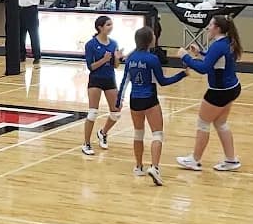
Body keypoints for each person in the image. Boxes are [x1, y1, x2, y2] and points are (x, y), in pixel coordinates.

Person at [118, 26, 187, 184]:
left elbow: (124, 81)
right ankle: (155, 168)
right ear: (150, 40)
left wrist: (118, 101)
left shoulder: (130, 58)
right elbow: (163, 81)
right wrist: (182, 74)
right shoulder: (152, 59)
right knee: (157, 134)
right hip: (149, 99)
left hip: (134, 99)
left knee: (138, 134)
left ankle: (138, 166)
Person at [177, 15, 243, 172]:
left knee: (203, 123)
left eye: (210, 25)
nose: (207, 27)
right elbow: (213, 61)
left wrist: (185, 56)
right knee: (220, 123)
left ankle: (194, 160)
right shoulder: (226, 42)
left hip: (219, 92)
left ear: (217, 28)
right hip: (232, 88)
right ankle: (231, 160)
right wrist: (200, 53)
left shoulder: (218, 46)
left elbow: (204, 68)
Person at [81, 16, 124, 156]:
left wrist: (117, 59)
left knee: (116, 112)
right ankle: (86, 143)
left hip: (109, 79)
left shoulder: (114, 43)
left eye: (111, 24)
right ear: (100, 27)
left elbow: (115, 66)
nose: (110, 27)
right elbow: (91, 67)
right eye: (108, 25)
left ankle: (103, 132)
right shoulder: (91, 44)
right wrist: (103, 59)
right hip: (95, 80)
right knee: (93, 112)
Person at [18, 0, 49, 64]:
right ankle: (22, 55)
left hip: (31, 10)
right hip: (20, 9)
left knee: (33, 34)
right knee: (20, 34)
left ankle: (37, 56)